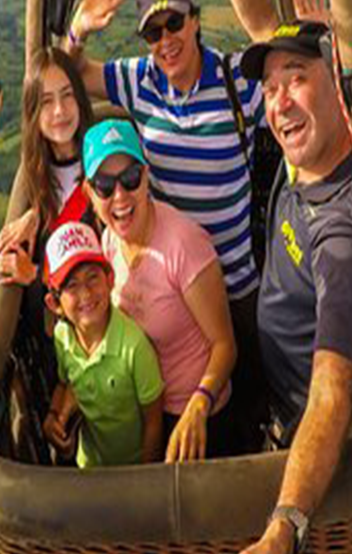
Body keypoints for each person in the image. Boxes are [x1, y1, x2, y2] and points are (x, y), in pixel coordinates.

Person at [63, 0, 281, 449]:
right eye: (153, 31)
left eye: (175, 24)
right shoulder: (138, 81)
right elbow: (63, 80)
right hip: (160, 290)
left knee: (249, 408)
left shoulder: (237, 81)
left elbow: (271, 36)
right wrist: (78, 30)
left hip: (233, 289)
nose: (165, 40)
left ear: (196, 22)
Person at [212, 20, 352, 554]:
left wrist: (283, 529)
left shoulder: (341, 234)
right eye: (269, 85)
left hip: (304, 441)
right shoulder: (302, 168)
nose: (278, 99)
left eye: (297, 79)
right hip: (274, 410)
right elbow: (267, 25)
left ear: (338, 87)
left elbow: (333, 394)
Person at [81, 119, 240, 461]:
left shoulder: (183, 245)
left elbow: (225, 345)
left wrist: (199, 404)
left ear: (146, 176)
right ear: (89, 194)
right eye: (105, 186)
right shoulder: (109, 241)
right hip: (146, 409)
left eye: (130, 179)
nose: (120, 195)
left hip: (199, 416)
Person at [0, 47, 96, 462]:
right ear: (33, 113)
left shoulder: (104, 172)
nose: (60, 111)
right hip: (57, 358)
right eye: (46, 101)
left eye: (68, 95)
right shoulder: (39, 177)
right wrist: (34, 212)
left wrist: (34, 276)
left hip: (95, 355)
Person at [41, 220, 165, 468]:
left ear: (110, 280)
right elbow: (65, 382)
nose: (86, 294)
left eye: (92, 278)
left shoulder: (134, 347)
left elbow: (154, 421)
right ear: (55, 303)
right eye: (72, 286)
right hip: (89, 466)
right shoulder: (63, 338)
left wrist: (145, 477)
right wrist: (54, 416)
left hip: (133, 468)